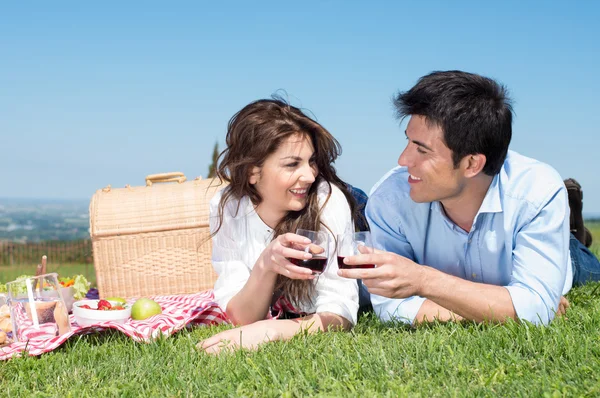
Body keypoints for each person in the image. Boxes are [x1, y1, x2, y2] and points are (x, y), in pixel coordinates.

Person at [338, 70, 600, 325]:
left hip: (562, 255)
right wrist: (512, 309)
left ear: (472, 164)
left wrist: (423, 281)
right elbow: (392, 308)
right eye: (408, 142)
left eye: (422, 150)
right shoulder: (391, 199)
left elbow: (535, 309)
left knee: (587, 267)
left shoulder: (534, 192)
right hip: (491, 277)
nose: (403, 160)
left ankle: (573, 232)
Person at [198, 98, 359, 354]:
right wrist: (266, 263)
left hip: (356, 211)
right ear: (253, 172)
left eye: (311, 161)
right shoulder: (228, 206)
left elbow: (341, 313)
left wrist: (271, 331)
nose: (310, 175)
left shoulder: (328, 201)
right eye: (292, 164)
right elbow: (242, 318)